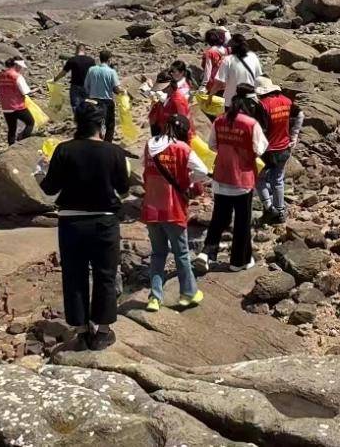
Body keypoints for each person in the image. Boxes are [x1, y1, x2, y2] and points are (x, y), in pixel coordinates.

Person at [36, 102, 129, 351]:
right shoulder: (114, 152)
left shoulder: (64, 150)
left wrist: (39, 171)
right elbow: (123, 189)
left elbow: (49, 188)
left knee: (74, 275)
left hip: (71, 221)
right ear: (100, 125)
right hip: (104, 220)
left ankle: (80, 329)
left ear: (77, 122)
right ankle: (103, 329)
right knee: (105, 274)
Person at [193, 86, 269, 273]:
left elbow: (212, 146)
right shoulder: (251, 124)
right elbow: (261, 149)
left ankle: (207, 253)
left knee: (219, 217)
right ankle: (238, 261)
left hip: (221, 177)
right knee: (242, 221)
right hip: (242, 179)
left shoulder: (219, 121)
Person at [141, 113, 210, 312]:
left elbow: (145, 169)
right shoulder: (182, 148)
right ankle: (187, 293)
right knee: (181, 254)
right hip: (173, 209)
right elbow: (203, 171)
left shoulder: (149, 145)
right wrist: (188, 180)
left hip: (151, 207)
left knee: (157, 254)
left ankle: (154, 297)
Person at [255, 77, 303, 224]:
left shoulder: (262, 105)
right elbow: (300, 115)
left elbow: (260, 129)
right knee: (278, 180)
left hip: (268, 150)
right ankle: (280, 212)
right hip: (284, 147)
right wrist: (294, 136)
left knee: (259, 179)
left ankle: (270, 209)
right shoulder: (286, 101)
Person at [84, 50, 123, 143]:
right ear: (109, 59)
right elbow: (116, 89)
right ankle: (107, 144)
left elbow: (86, 86)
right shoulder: (111, 72)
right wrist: (122, 91)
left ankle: (93, 142)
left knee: (94, 123)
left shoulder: (91, 70)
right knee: (109, 125)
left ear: (100, 59)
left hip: (93, 101)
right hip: (106, 101)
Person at [214, 34, 263, 103]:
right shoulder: (253, 56)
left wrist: (210, 96)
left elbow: (219, 82)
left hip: (231, 101)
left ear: (232, 47)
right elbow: (259, 77)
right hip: (250, 99)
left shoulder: (228, 60)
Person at [0, 57, 34, 146]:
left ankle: (11, 147)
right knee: (30, 122)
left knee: (12, 128)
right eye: (21, 67)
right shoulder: (17, 76)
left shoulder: (1, 76)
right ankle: (24, 143)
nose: (21, 69)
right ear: (17, 65)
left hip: (6, 106)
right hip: (17, 105)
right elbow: (25, 92)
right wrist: (36, 90)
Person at [53, 44, 95, 113]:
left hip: (75, 86)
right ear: (84, 51)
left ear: (76, 50)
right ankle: (86, 120)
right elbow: (94, 74)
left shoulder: (72, 60)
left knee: (75, 105)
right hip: (87, 86)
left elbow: (63, 73)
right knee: (87, 104)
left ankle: (77, 120)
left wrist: (56, 79)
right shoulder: (91, 61)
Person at [201, 29, 228, 95]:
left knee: (211, 103)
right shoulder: (225, 50)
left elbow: (208, 69)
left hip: (213, 83)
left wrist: (204, 85)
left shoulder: (210, 52)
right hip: (225, 81)